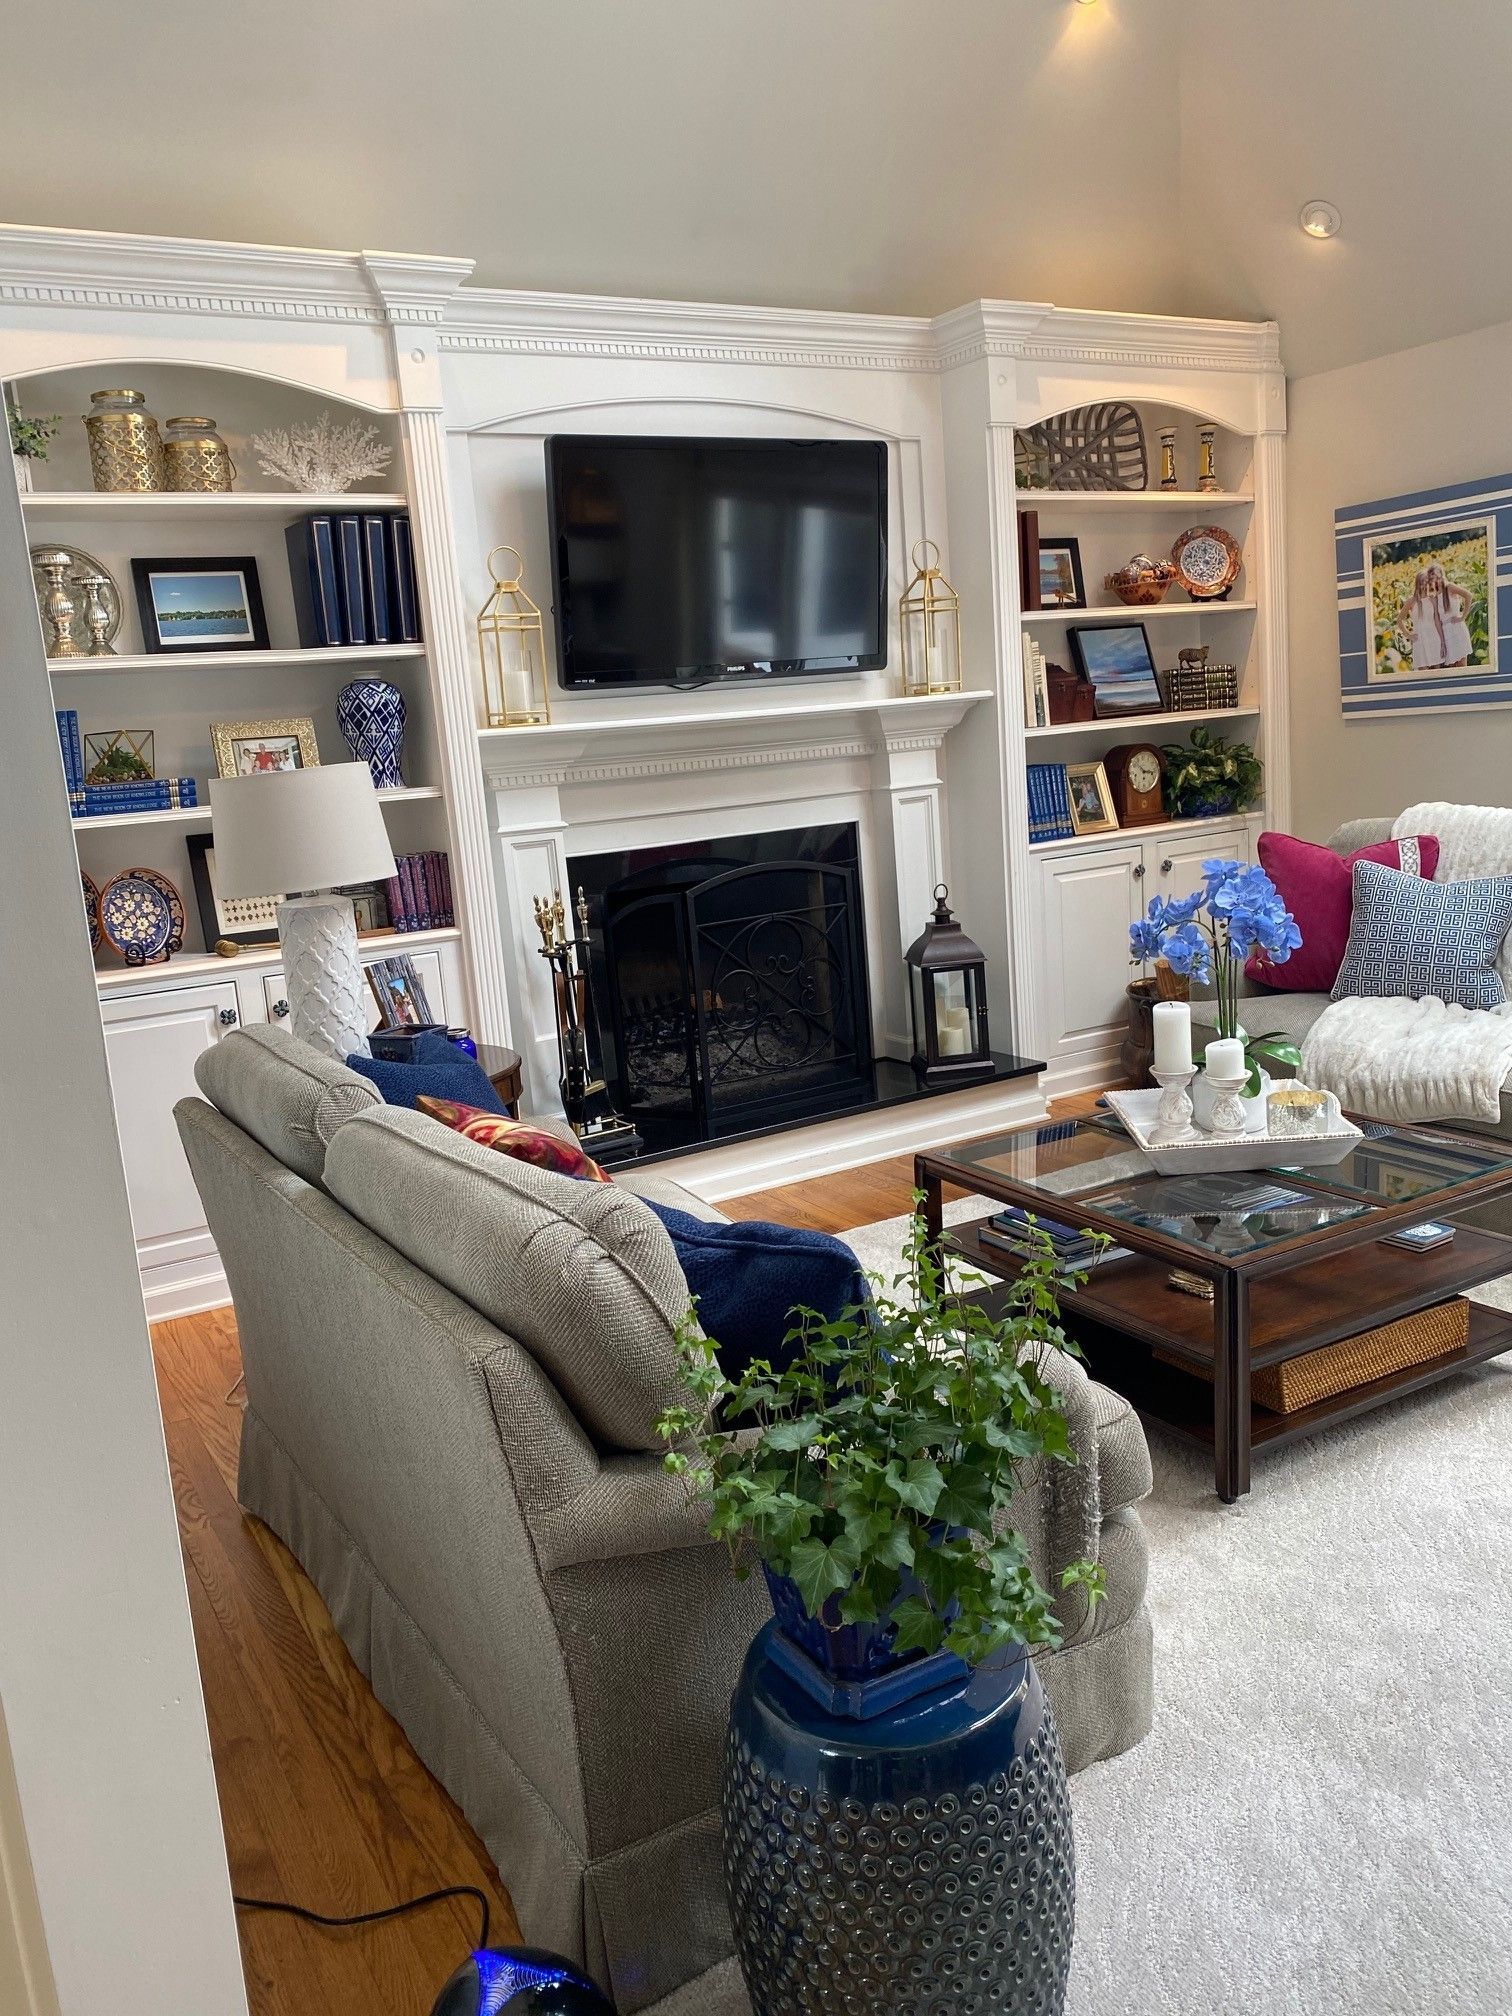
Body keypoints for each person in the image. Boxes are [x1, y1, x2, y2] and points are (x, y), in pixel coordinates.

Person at [1404, 562, 1474, 671]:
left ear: (1441, 575)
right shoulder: (1435, 595)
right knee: (1450, 669)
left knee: (1461, 667)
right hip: (1445, 632)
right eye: (1432, 578)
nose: (1435, 580)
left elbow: (1468, 595)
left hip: (1456, 629)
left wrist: (1462, 617)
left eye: (1436, 577)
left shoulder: (1450, 587)